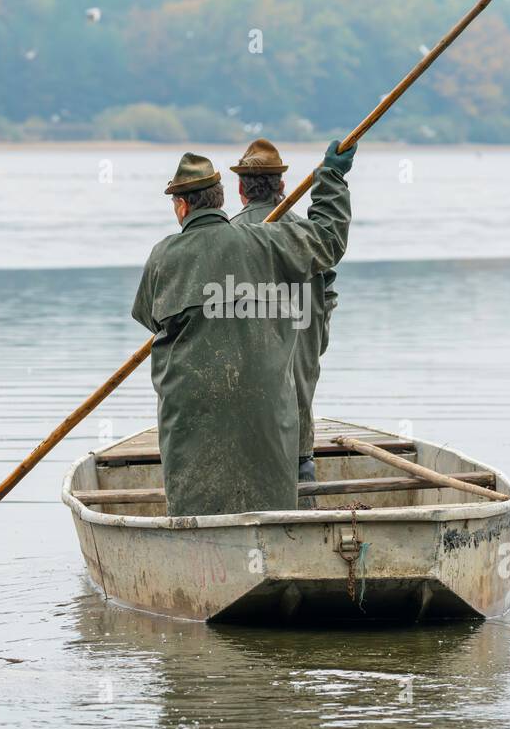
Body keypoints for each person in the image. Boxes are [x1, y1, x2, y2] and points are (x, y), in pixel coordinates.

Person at [131, 141, 355, 516]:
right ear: (220, 198)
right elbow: (328, 240)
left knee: (197, 505)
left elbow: (150, 319)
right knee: (279, 491)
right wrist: (331, 178)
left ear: (182, 206)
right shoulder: (267, 242)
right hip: (275, 420)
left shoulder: (163, 256)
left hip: (192, 425)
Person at [229, 139, 337, 485]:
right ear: (282, 187)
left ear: (241, 189)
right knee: (302, 477)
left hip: (244, 421)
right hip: (298, 413)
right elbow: (324, 307)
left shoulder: (225, 237)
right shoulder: (307, 236)